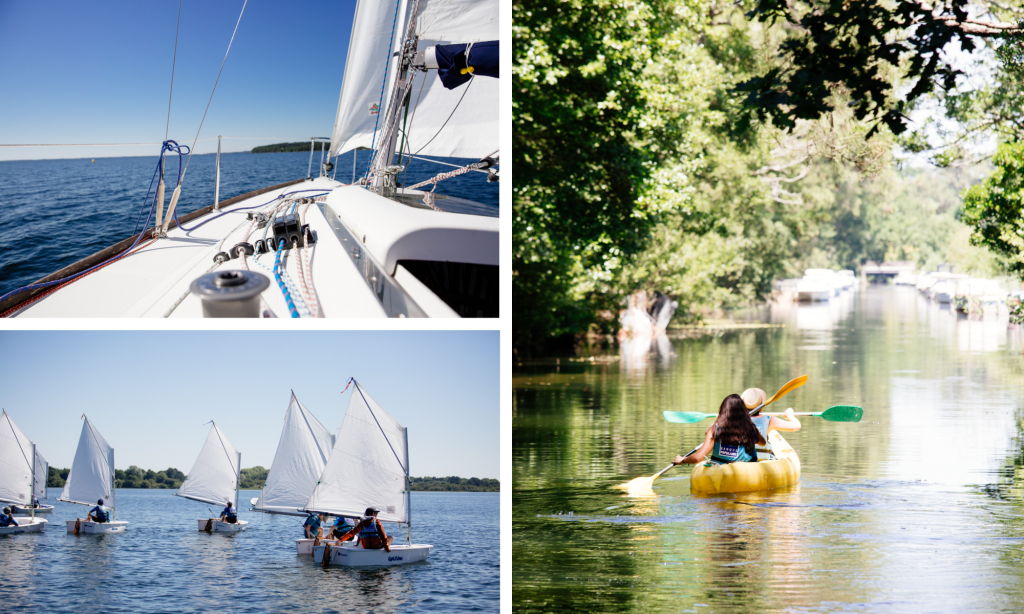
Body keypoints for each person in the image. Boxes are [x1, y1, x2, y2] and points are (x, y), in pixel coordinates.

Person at [672, 394, 766, 466]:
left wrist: (683, 460)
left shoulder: (714, 429)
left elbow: (698, 458)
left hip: (719, 472)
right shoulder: (752, 428)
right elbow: (763, 443)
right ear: (743, 411)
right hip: (747, 473)